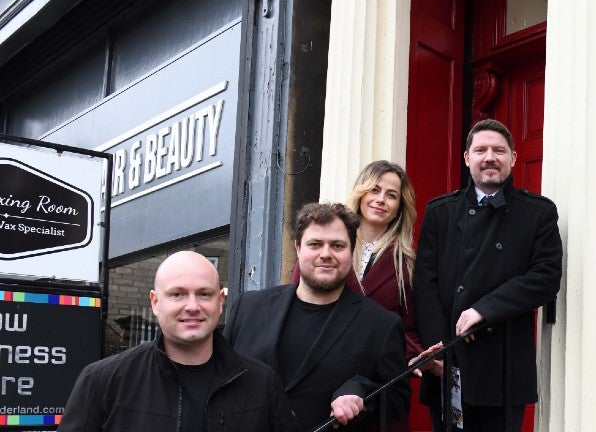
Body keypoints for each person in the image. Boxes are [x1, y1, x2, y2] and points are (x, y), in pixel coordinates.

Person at [414, 119, 563, 431]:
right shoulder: (440, 211)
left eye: (499, 150)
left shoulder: (538, 212)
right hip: (449, 361)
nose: (490, 157)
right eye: (481, 150)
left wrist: (483, 310)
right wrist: (440, 347)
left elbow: (545, 278)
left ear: (513, 157)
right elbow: (425, 284)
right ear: (467, 157)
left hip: (503, 365)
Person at [59, 251, 298, 432]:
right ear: (155, 302)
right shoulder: (103, 381)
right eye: (177, 294)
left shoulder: (261, 383)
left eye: (204, 294)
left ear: (220, 302)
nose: (192, 306)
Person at [226, 202, 411, 432]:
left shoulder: (381, 325)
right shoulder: (248, 308)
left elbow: (398, 400)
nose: (326, 254)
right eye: (315, 244)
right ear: (298, 248)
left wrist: (361, 390)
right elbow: (218, 374)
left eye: (337, 245)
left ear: (351, 251)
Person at [291, 160, 428, 432]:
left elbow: (409, 328)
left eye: (391, 195)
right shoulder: (326, 249)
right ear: (361, 193)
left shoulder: (408, 263)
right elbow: (299, 305)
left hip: (376, 381)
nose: (381, 200)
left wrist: (415, 354)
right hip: (323, 372)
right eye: (374, 190)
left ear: (400, 207)